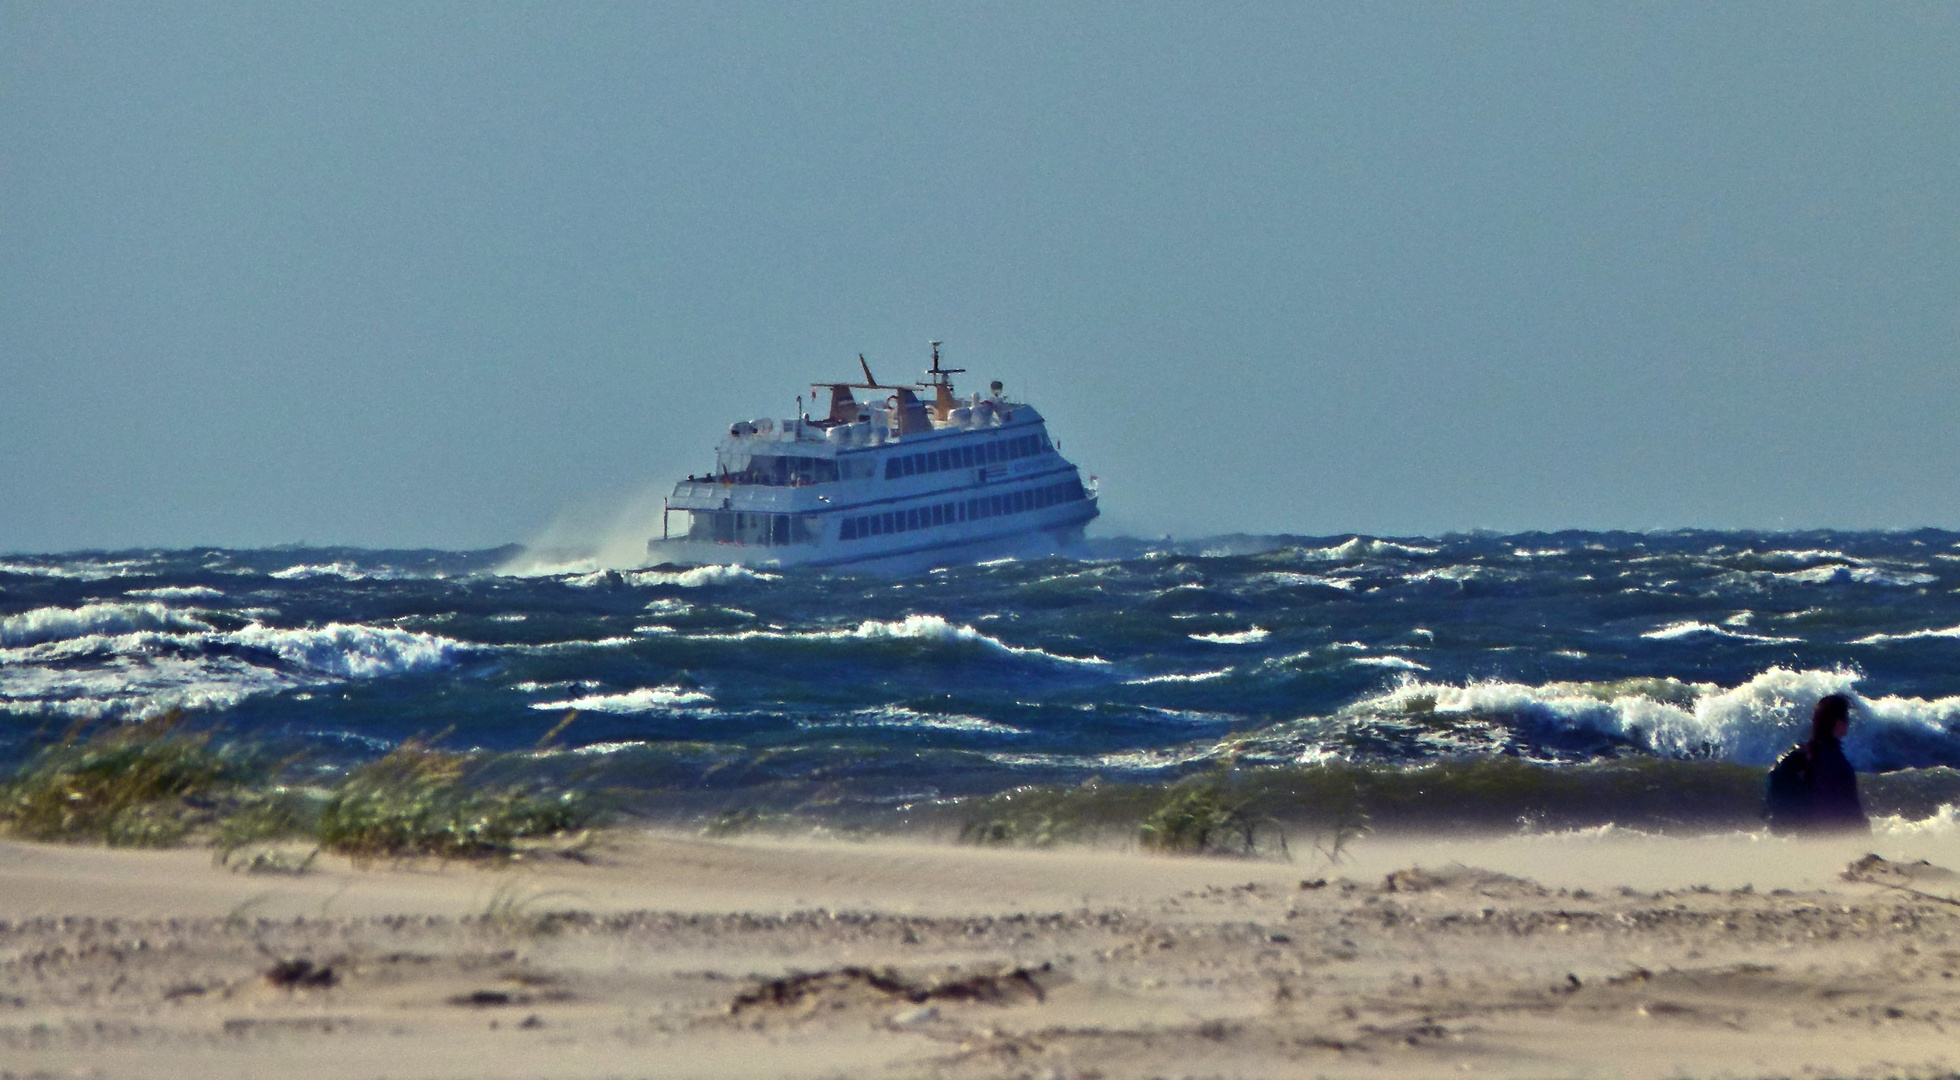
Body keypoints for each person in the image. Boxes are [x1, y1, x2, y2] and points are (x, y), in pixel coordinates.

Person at [1764, 693, 1869, 835]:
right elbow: (1847, 806)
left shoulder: (1803, 754)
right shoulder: (1833, 759)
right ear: (1838, 723)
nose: (1848, 723)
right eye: (1846, 719)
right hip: (1833, 840)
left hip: (1806, 838)